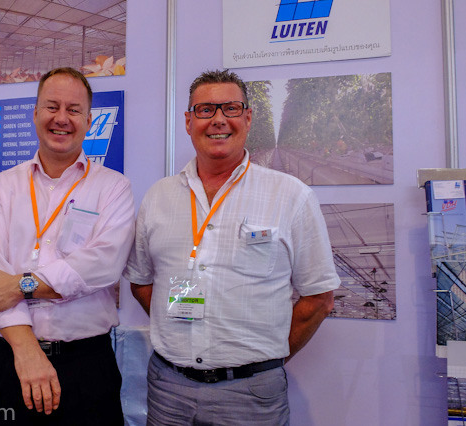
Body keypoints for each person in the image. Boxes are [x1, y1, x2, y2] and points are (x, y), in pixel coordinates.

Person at [123, 69, 340, 425]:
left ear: (248, 118)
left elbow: (319, 298)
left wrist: (266, 358)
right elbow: (142, 282)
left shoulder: (291, 196)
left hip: (252, 394)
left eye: (231, 108)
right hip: (168, 389)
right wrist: (177, 332)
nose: (218, 119)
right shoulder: (158, 197)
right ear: (188, 121)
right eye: (205, 110)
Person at [0, 67, 133, 425]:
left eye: (74, 110)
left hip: (87, 367)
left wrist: (19, 285)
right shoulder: (1, 188)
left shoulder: (113, 188)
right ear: (34, 113)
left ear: (89, 121)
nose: (62, 118)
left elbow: (102, 265)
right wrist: (27, 351)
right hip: (10, 361)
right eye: (52, 107)